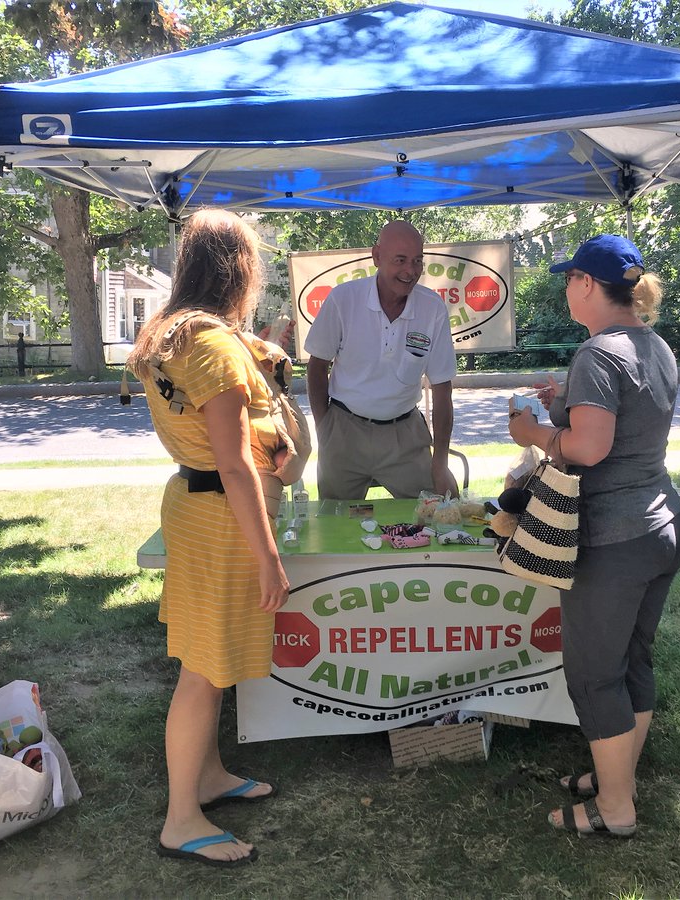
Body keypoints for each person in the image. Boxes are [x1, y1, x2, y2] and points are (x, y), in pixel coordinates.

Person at [507, 234, 680, 838]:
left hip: (613, 539)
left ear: (588, 284)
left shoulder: (597, 353)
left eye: (569, 279)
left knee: (593, 675)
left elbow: (589, 447)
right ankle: (619, 780)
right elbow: (626, 420)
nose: (565, 289)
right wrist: (564, 403)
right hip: (662, 523)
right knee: (633, 659)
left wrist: (533, 431)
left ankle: (615, 809)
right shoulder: (652, 343)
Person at [128, 209, 289, 868]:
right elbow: (236, 463)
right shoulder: (217, 346)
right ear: (240, 271)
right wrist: (269, 557)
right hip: (222, 511)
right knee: (202, 672)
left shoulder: (170, 332)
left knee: (209, 656)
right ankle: (182, 819)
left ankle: (211, 775)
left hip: (191, 503)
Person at [305, 220, 460, 500]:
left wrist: (440, 462)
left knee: (439, 516)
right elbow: (317, 365)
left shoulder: (432, 309)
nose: (410, 271)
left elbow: (442, 389)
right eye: (400, 260)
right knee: (336, 526)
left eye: (417, 261)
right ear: (377, 256)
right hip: (343, 431)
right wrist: (324, 427)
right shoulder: (344, 299)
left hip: (405, 433)